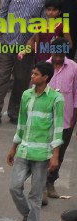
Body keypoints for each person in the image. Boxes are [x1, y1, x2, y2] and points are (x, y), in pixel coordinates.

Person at [9, 62, 64, 221]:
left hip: (42, 153)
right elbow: (21, 124)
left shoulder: (56, 99)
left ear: (45, 77)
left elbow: (57, 129)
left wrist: (55, 155)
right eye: (32, 73)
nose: (32, 76)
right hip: (24, 149)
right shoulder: (27, 95)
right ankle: (27, 215)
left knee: (35, 194)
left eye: (36, 74)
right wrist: (14, 146)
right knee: (14, 187)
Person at [46, 50, 76, 199]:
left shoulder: (73, 67)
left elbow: (76, 93)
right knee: (44, 153)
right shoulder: (44, 67)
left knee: (60, 154)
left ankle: (50, 182)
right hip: (46, 120)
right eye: (55, 55)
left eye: (61, 56)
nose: (58, 58)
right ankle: (41, 186)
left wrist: (74, 116)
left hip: (66, 119)